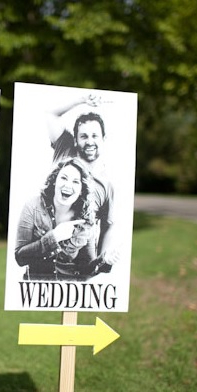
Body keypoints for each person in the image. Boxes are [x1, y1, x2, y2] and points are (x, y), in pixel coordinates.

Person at [45, 94, 120, 266]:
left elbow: (108, 226)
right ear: (76, 140)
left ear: (103, 139)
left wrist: (100, 262)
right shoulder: (64, 150)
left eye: (95, 136)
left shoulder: (105, 185)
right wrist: (81, 100)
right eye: (84, 136)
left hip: (79, 267)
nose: (90, 141)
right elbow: (51, 114)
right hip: (44, 254)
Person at [15, 158, 112, 281]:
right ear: (55, 180)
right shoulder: (33, 206)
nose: (68, 185)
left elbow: (86, 271)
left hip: (67, 294)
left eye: (76, 182)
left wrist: (104, 260)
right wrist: (54, 237)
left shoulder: (86, 219)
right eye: (64, 178)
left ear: (82, 189)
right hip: (37, 292)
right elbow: (20, 258)